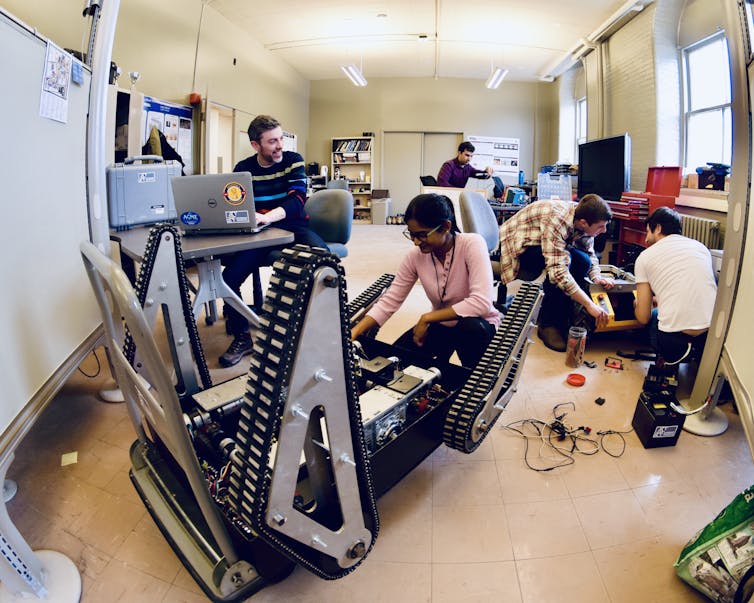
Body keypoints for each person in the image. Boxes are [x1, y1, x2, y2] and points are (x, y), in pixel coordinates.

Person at [219, 115, 327, 367]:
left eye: (281, 139)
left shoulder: (293, 161)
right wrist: (250, 219)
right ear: (256, 145)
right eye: (272, 142)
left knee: (324, 257)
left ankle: (317, 326)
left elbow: (297, 199)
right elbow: (235, 203)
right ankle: (242, 337)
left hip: (293, 226)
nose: (280, 146)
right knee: (228, 280)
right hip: (261, 234)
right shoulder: (243, 169)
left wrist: (267, 217)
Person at [351, 193, 499, 367]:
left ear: (445, 227)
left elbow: (480, 303)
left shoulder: (472, 244)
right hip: (441, 325)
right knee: (393, 364)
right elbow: (390, 300)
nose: (415, 242)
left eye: (421, 235)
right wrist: (354, 332)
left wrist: (427, 318)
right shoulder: (415, 256)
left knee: (470, 334)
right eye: (411, 234)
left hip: (477, 326)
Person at [498, 194, 614, 352]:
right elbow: (558, 272)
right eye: (600, 226)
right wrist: (589, 305)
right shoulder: (557, 219)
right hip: (518, 243)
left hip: (543, 239)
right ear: (584, 223)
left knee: (583, 261)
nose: (604, 230)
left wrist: (597, 276)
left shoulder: (584, 219)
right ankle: (548, 324)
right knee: (565, 263)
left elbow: (589, 254)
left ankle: (563, 316)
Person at [633, 206, 717, 363]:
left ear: (657, 228)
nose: (646, 238)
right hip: (711, 337)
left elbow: (643, 318)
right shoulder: (701, 248)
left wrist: (638, 303)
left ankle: (666, 359)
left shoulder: (644, 257)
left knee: (650, 312)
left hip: (673, 343)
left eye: (648, 232)